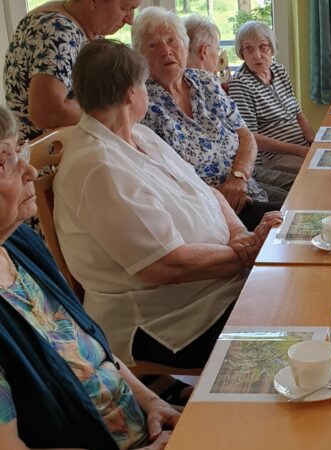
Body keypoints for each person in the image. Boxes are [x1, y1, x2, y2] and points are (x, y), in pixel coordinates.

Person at [53, 40, 283, 371]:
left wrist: (240, 237)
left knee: (302, 281)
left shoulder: (140, 136)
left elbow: (209, 193)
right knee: (296, 315)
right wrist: (244, 254)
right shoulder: (99, 167)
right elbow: (163, 266)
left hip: (218, 286)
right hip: (173, 321)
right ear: (130, 93)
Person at [0, 103, 181, 449]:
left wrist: (150, 402)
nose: (30, 171)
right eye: (4, 160)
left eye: (19, 151)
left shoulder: (19, 243)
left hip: (143, 428)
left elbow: (90, 346)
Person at [132, 7, 291, 228]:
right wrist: (221, 195)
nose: (166, 51)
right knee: (298, 217)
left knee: (303, 206)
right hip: (206, 211)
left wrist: (238, 177)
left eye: (171, 41)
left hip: (246, 188)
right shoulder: (142, 103)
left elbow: (246, 136)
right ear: (140, 55)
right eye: (153, 45)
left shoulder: (205, 82)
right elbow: (162, 180)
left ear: (185, 45)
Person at [4, 0, 139, 141]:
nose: (131, 20)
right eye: (125, 8)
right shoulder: (59, 31)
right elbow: (47, 113)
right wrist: (114, 111)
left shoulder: (79, 20)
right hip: (48, 158)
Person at [228, 21, 315, 193]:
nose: (257, 55)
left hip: (300, 148)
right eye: (249, 49)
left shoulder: (279, 70)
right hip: (273, 158)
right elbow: (251, 137)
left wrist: (314, 143)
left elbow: (298, 114)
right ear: (241, 53)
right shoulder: (240, 83)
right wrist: (299, 151)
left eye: (263, 47)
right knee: (322, 173)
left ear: (272, 48)